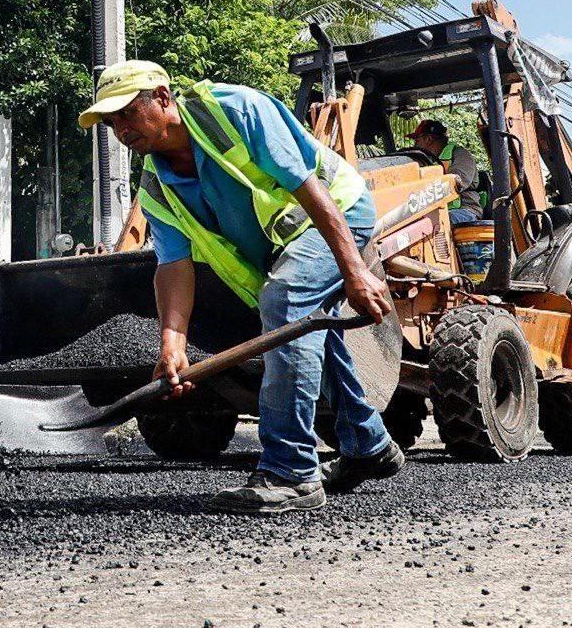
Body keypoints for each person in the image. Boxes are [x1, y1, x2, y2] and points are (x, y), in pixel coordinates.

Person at [79, 60, 400, 514]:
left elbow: (308, 187)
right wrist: (172, 345)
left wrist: (353, 269)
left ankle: (290, 471)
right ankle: (368, 444)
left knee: (286, 300)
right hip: (282, 245)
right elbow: (173, 266)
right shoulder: (156, 188)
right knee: (306, 332)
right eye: (111, 123)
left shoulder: (235, 110)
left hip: (337, 212)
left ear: (164, 98)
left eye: (127, 113)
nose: (121, 130)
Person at [408, 119, 483, 225]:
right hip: (435, 211)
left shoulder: (460, 154)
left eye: (417, 141)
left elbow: (458, 182)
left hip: (464, 211)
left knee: (436, 224)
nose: (415, 145)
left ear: (428, 139)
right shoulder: (425, 161)